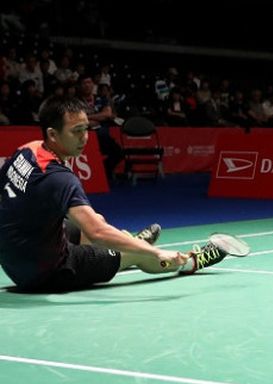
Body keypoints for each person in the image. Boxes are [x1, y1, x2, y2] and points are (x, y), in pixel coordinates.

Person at [0, 96, 241, 292]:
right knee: (135, 252)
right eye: (76, 131)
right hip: (48, 272)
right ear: (53, 134)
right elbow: (97, 233)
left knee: (97, 220)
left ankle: (117, 253)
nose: (85, 138)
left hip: (14, 260)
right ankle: (189, 261)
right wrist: (155, 252)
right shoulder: (60, 178)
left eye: (87, 129)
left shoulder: (27, 151)